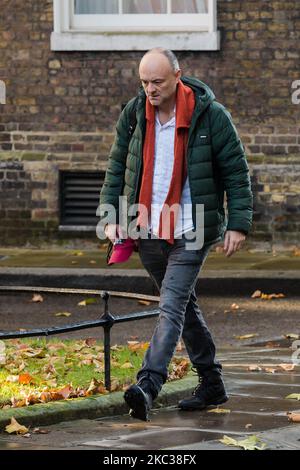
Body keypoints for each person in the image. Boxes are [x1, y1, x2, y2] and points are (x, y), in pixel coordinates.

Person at [99, 48, 253, 421]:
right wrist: (110, 216)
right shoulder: (135, 115)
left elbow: (236, 170)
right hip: (146, 226)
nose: (149, 89)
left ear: (177, 76)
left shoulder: (211, 116)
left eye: (157, 82)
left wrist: (237, 223)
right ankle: (212, 383)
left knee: (170, 307)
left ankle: (148, 385)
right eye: (144, 82)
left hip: (191, 228)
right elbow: (117, 165)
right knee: (183, 304)